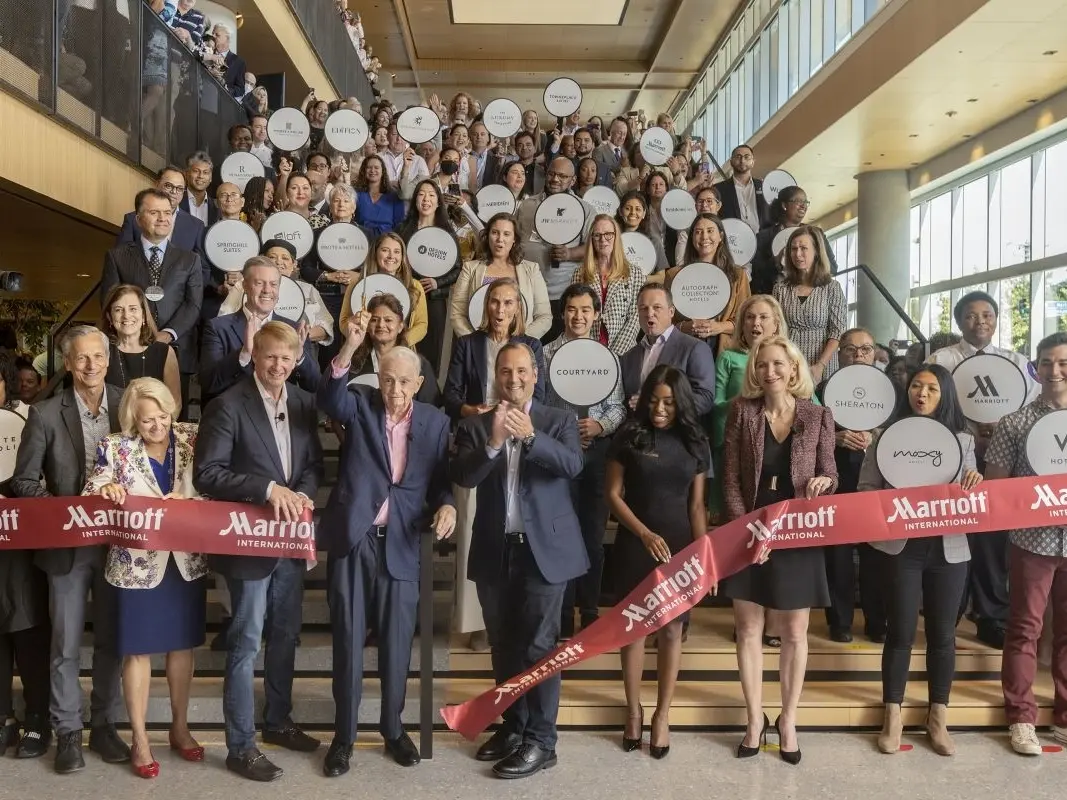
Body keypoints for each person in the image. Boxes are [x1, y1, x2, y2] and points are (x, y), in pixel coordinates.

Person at [317, 313, 455, 775]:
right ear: (379, 378)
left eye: (404, 383)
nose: (395, 391)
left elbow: (441, 480)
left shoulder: (436, 422)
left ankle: (393, 730)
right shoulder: (358, 403)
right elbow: (329, 398)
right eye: (388, 381)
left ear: (419, 383)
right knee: (349, 641)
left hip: (402, 541)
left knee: (398, 644)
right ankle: (343, 737)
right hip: (355, 538)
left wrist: (448, 505)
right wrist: (346, 348)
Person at [193, 322, 324, 782]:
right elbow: (207, 473)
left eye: (288, 359)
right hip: (247, 542)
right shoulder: (227, 405)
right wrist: (268, 489)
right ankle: (240, 746)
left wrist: (302, 494)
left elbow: (312, 465)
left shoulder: (306, 404)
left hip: (289, 540)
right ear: (256, 353)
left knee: (286, 634)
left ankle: (279, 721)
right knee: (247, 641)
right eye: (271, 357)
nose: (279, 366)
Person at [450, 342, 587, 779]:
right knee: (505, 644)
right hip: (496, 549)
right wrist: (493, 442)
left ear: (535, 373)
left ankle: (542, 742)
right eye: (505, 371)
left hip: (544, 552)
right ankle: (514, 726)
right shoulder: (476, 425)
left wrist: (529, 435)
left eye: (522, 371)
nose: (513, 378)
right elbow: (464, 476)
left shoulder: (558, 419)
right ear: (496, 374)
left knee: (538, 647)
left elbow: (572, 465)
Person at [9, 326, 129, 774]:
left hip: (120, 547)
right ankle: (67, 732)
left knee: (112, 642)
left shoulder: (126, 402)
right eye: (81, 358)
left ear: (107, 357)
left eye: (98, 356)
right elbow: (23, 483)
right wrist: (67, 511)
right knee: (64, 645)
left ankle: (103, 725)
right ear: (67, 362)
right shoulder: (43, 414)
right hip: (66, 548)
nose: (91, 365)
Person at [719, 334, 837, 765]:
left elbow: (830, 472)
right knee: (748, 630)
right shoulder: (741, 413)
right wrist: (748, 533)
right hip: (750, 530)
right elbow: (730, 480)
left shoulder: (818, 414)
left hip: (798, 530)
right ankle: (754, 720)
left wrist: (824, 483)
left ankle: (787, 720)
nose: (770, 371)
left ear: (793, 369)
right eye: (763, 364)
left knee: (794, 633)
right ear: (755, 370)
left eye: (778, 364)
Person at [84, 378, 208, 778]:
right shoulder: (117, 446)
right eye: (148, 420)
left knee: (181, 646)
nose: (158, 425)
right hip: (135, 566)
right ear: (133, 421)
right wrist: (109, 488)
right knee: (137, 651)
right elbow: (92, 488)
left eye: (163, 416)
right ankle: (139, 737)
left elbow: (216, 484)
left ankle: (180, 726)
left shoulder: (193, 437)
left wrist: (191, 499)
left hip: (184, 561)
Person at [855, 363, 978, 756]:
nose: (921, 394)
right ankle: (893, 715)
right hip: (901, 548)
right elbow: (865, 489)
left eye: (931, 389)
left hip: (949, 550)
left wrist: (973, 484)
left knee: (943, 635)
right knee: (901, 633)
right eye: (915, 387)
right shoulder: (885, 436)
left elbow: (973, 499)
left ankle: (937, 716)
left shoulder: (964, 440)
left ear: (945, 395)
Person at [927, 290, 1040, 649]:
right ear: (960, 321)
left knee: (992, 543)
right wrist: (968, 433)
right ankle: (951, 612)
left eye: (988, 315)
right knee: (953, 540)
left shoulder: (1016, 361)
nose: (981, 322)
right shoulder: (942, 359)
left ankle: (991, 616)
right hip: (953, 463)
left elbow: (1032, 407)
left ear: (996, 320)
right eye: (972, 316)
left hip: (1000, 465)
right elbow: (929, 403)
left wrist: (1002, 429)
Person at [607, 365, 710, 758]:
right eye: (654, 401)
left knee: (671, 632)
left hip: (680, 547)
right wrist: (645, 534)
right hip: (636, 545)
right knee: (632, 631)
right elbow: (613, 496)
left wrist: (702, 555)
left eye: (668, 402)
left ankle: (662, 716)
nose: (660, 409)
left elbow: (698, 505)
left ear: (680, 402)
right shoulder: (629, 436)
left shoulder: (695, 442)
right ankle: (633, 711)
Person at [444, 278, 547, 651]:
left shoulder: (532, 346)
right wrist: (477, 412)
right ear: (484, 306)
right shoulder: (468, 344)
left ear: (518, 307)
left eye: (507, 302)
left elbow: (544, 395)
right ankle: (480, 623)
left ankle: (518, 614)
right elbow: (450, 395)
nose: (500, 309)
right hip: (480, 439)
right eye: (494, 302)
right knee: (475, 529)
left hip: (522, 437)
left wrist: (518, 419)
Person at [984, 331, 1067, 755]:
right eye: (1047, 363)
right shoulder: (1014, 423)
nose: (1055, 371)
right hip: (1031, 541)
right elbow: (996, 488)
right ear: (1035, 367)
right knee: (1024, 629)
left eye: (1063, 363)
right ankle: (1021, 718)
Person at [544, 284, 627, 636]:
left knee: (592, 537)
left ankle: (590, 612)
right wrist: (562, 430)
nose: (578, 316)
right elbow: (540, 405)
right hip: (558, 457)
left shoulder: (608, 357)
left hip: (596, 457)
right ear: (563, 313)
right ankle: (562, 616)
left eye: (585, 310)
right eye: (572, 310)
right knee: (561, 536)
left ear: (596, 315)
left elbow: (619, 406)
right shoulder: (545, 355)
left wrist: (600, 424)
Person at [101, 188, 203, 410]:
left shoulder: (190, 259)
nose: (163, 218)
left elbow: (193, 304)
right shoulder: (117, 256)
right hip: (129, 352)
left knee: (171, 414)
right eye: (154, 212)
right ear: (138, 219)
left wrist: (166, 335)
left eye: (167, 213)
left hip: (177, 349)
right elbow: (110, 301)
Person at [821, 327, 888, 644]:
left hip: (879, 480)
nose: (858, 355)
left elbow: (905, 430)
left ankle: (877, 620)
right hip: (836, 479)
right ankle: (840, 621)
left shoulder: (892, 390)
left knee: (877, 554)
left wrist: (877, 436)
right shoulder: (821, 389)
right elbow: (805, 433)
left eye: (866, 349)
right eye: (850, 349)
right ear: (839, 355)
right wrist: (833, 438)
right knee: (838, 555)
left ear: (875, 354)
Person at [0, 353, 50, 760]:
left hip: (20, 543)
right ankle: (3, 718)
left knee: (27, 627)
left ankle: (37, 718)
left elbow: (40, 477)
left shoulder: (31, 418)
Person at [200, 256, 320, 410]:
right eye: (259, 283)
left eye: (273, 284)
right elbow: (208, 383)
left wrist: (299, 357)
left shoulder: (294, 329)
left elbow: (315, 386)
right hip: (233, 417)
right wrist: (244, 354)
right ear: (245, 285)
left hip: (281, 417)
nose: (267, 290)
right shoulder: (217, 328)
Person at [515, 156, 595, 340]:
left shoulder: (586, 210)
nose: (555, 179)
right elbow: (516, 239)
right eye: (551, 173)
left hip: (562, 293)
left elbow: (595, 247)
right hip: (527, 292)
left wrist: (570, 253)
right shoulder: (527, 205)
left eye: (562, 176)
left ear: (573, 180)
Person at [393, 179, 463, 373]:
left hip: (433, 299)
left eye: (432, 195)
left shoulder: (447, 232)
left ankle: (426, 393)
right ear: (415, 199)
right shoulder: (402, 229)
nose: (426, 199)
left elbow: (458, 269)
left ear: (439, 202)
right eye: (422, 194)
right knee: (403, 344)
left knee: (430, 350)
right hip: (404, 296)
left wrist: (437, 282)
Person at [449, 213, 552, 340]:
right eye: (495, 233)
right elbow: (457, 314)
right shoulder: (470, 268)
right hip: (478, 346)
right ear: (487, 236)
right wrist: (473, 342)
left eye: (506, 234)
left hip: (519, 349)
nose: (500, 239)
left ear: (514, 239)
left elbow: (544, 316)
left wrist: (521, 341)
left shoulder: (531, 269)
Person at [619, 283, 715, 415]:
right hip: (637, 434)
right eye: (643, 308)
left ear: (671, 312)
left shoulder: (695, 349)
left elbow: (705, 398)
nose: (649, 313)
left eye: (657, 307)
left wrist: (656, 405)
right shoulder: (628, 357)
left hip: (675, 434)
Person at [661, 214, 750, 355]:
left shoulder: (738, 275)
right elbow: (664, 320)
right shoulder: (673, 275)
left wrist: (719, 327)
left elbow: (746, 318)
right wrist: (685, 326)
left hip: (725, 349)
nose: (704, 237)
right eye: (698, 232)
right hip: (685, 347)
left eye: (710, 231)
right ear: (691, 238)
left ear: (720, 236)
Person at [773, 225, 846, 385]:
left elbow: (837, 331)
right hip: (789, 363)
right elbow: (776, 329)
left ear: (817, 252)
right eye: (793, 249)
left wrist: (820, 365)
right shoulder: (781, 288)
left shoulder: (832, 288)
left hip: (821, 365)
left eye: (803, 248)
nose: (797, 254)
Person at [345, 294, 440, 406]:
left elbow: (431, 408)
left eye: (388, 320)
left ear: (400, 327)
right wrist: (349, 346)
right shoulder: (352, 362)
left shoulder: (419, 364)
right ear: (367, 325)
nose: (381, 325)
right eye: (374, 320)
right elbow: (337, 400)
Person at [100, 284, 182, 413]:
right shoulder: (101, 352)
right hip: (111, 430)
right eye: (118, 309)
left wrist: (153, 429)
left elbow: (175, 404)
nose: (126, 316)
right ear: (109, 317)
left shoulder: (164, 352)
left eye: (133, 309)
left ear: (143, 315)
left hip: (155, 429)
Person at [569, 215, 646, 354]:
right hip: (588, 350)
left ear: (616, 237)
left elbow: (635, 318)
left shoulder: (635, 274)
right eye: (597, 235)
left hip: (623, 351)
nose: (603, 239)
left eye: (608, 234)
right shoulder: (579, 274)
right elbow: (575, 315)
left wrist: (615, 354)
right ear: (592, 239)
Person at [339, 232, 428, 348]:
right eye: (385, 250)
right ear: (375, 253)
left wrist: (400, 343)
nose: (391, 256)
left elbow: (421, 325)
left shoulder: (414, 286)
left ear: (402, 257)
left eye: (397, 252)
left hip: (400, 353)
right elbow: (343, 322)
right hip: (363, 350)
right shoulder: (357, 284)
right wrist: (355, 328)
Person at [752, 186, 836, 295]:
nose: (803, 205)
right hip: (775, 299)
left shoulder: (816, 234)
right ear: (784, 205)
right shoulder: (764, 237)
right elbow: (757, 275)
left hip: (811, 297)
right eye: (798, 201)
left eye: (805, 202)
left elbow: (832, 268)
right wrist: (775, 262)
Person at [116, 166, 206, 256]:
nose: (174, 192)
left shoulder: (196, 226)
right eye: (168, 186)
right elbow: (121, 257)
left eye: (179, 188)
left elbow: (202, 267)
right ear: (156, 184)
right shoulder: (132, 219)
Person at [714, 144, 768, 233]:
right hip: (733, 240)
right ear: (731, 162)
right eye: (738, 157)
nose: (742, 160)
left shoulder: (764, 186)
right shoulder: (719, 189)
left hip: (763, 240)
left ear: (753, 162)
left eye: (747, 157)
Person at [354, 155, 405, 237]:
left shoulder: (394, 196)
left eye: (376, 167)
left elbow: (399, 225)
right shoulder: (356, 194)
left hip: (386, 242)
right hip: (360, 240)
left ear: (383, 171)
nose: (372, 170)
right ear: (364, 170)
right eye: (369, 167)